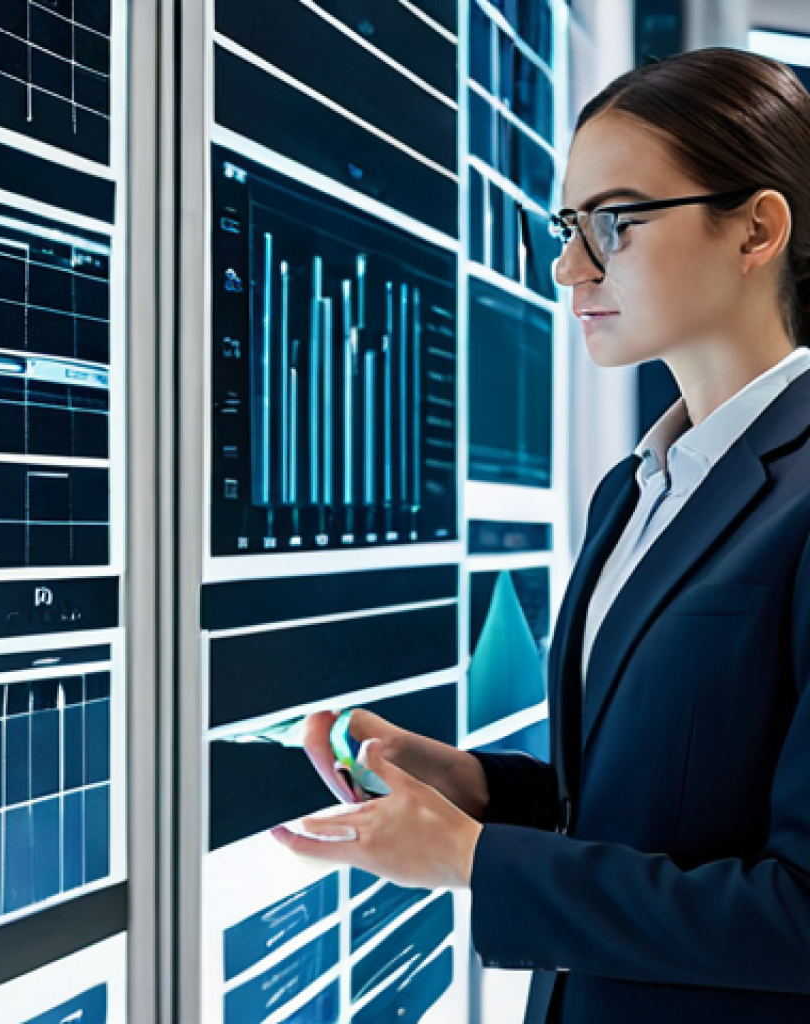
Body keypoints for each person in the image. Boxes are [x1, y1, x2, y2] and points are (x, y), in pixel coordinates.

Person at [272, 46, 810, 1023]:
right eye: (568, 226)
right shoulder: (635, 489)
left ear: (755, 230)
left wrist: (469, 859)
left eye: (615, 222)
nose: (569, 266)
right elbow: (659, 805)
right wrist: (473, 786)